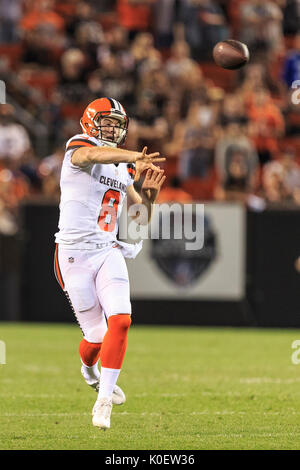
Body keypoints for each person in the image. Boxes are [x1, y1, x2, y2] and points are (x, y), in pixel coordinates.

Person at [54, 97, 166, 430]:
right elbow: (91, 155)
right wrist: (133, 155)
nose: (113, 128)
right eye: (107, 121)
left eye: (118, 123)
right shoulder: (80, 146)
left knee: (121, 321)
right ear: (89, 121)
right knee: (97, 339)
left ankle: (103, 401)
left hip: (107, 250)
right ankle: (88, 368)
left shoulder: (125, 167)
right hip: (73, 253)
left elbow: (140, 218)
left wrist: (150, 196)